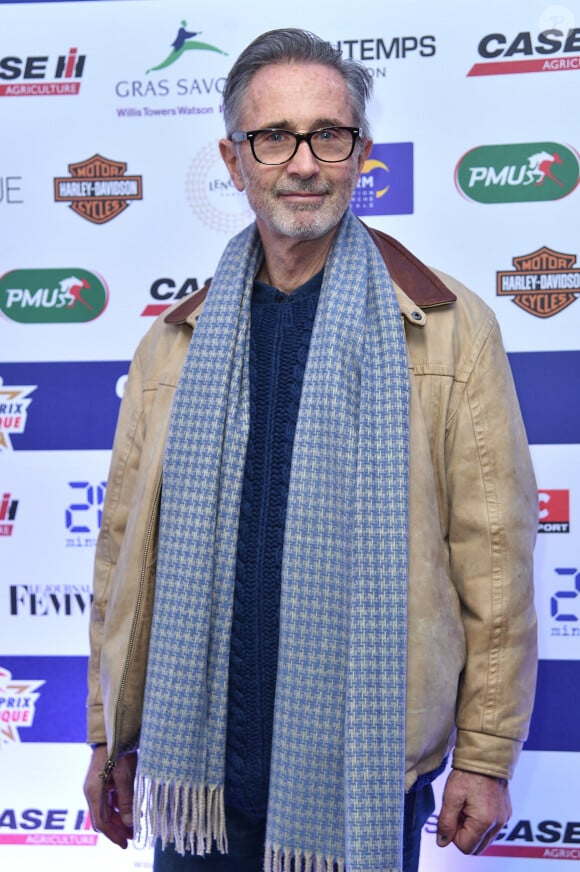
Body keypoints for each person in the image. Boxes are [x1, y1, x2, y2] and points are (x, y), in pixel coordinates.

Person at [83, 27, 537, 872]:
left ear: (360, 153)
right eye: (274, 137)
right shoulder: (173, 345)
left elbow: (497, 561)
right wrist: (109, 735)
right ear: (234, 159)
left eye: (329, 135)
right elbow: (121, 560)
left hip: (357, 769)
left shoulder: (449, 329)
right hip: (197, 772)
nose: (302, 162)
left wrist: (484, 753)